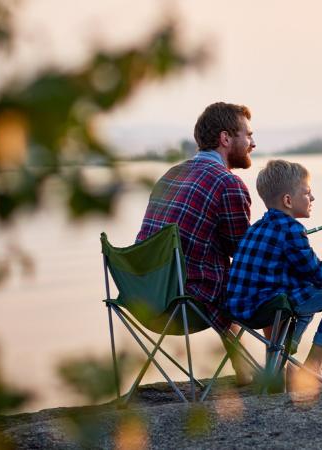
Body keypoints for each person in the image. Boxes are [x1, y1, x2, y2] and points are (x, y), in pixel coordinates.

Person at [136, 102, 256, 384]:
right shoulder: (228, 183)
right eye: (248, 135)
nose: (253, 143)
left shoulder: (170, 175)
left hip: (144, 297)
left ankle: (244, 371)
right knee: (263, 280)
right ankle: (278, 372)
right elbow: (243, 254)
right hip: (185, 304)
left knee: (220, 276)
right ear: (226, 138)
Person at [224, 159, 322, 384]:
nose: (312, 198)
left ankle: (282, 364)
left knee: (304, 289)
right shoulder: (292, 229)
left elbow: (294, 267)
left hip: (240, 310)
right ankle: (313, 366)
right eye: (308, 193)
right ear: (288, 200)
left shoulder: (257, 228)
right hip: (269, 309)